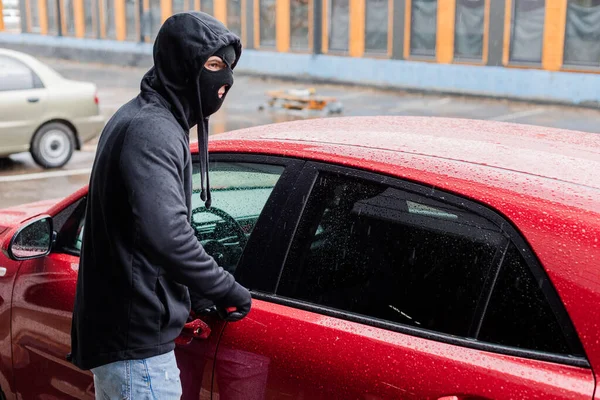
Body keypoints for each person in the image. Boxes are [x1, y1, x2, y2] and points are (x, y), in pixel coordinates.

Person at [69, 11, 252, 399]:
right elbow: (168, 235)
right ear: (182, 64)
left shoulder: (146, 118)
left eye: (229, 67)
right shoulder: (152, 131)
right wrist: (227, 289)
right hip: (138, 349)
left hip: (130, 339)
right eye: (214, 65)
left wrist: (196, 294)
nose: (225, 80)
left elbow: (141, 229)